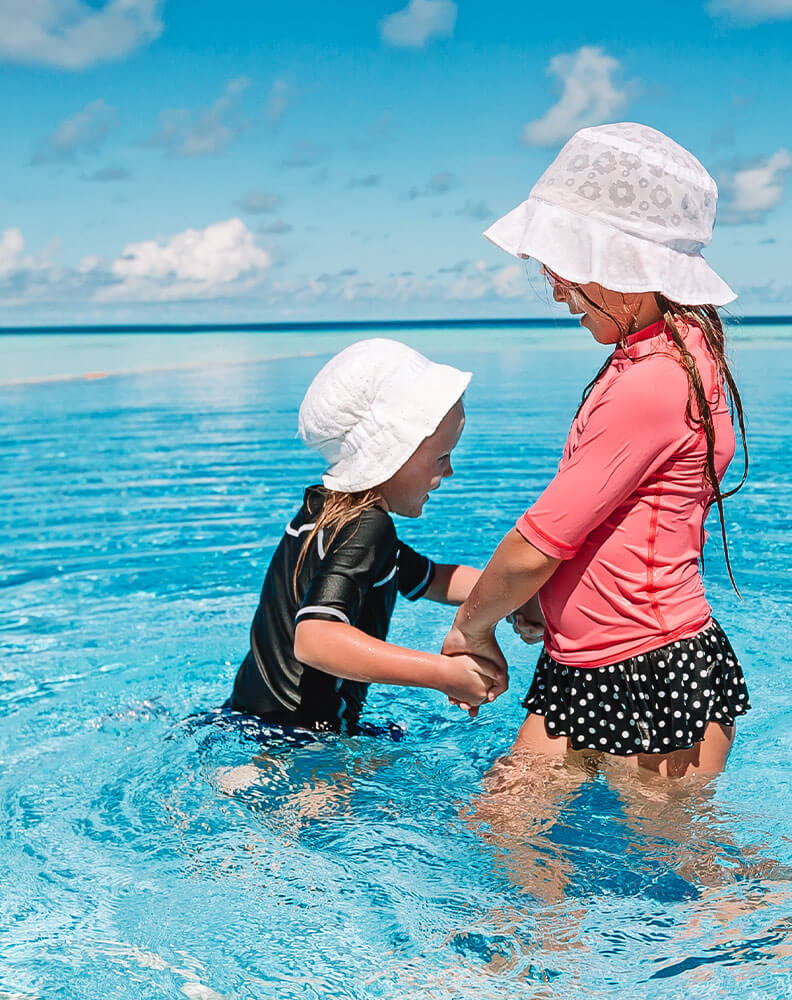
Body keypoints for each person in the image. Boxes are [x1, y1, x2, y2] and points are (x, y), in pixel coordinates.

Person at [443, 122, 750, 779]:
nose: (555, 288)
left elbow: (538, 544)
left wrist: (472, 626)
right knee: (505, 830)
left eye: (567, 263)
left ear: (627, 264)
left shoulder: (654, 379)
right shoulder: (678, 354)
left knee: (684, 866)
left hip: (645, 670)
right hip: (594, 663)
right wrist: (539, 602)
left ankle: (783, 891)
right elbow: (612, 524)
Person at [228, 338, 505, 733]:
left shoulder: (330, 515)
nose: (448, 473)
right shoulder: (367, 527)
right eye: (441, 457)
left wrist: (522, 598)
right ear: (394, 453)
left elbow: (436, 579)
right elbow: (315, 639)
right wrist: (444, 673)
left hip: (248, 720)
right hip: (297, 741)